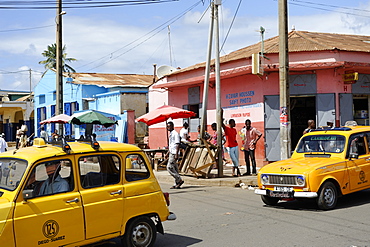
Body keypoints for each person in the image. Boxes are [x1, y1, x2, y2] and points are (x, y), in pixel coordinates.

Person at [165, 121, 184, 189]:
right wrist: (167, 153)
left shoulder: (175, 134)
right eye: (167, 126)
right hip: (171, 152)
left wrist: (176, 154)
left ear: (172, 126)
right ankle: (177, 183)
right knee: (175, 169)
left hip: (174, 153)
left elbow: (177, 144)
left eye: (169, 126)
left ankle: (179, 179)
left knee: (169, 167)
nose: (168, 128)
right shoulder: (171, 134)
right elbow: (171, 145)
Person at [221, 112, 241, 177]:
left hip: (235, 145)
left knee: (236, 159)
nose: (234, 124)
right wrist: (221, 115)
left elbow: (234, 137)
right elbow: (222, 125)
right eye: (233, 122)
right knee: (234, 159)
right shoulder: (227, 129)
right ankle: (238, 171)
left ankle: (234, 172)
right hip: (229, 146)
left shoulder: (234, 130)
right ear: (230, 124)